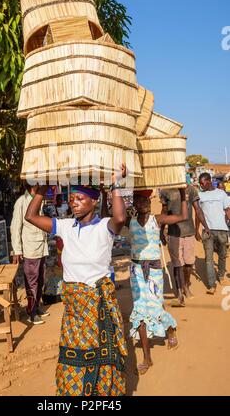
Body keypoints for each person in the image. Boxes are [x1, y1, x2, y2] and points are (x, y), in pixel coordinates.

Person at [24, 167, 128, 396]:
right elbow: (30, 216)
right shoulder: (65, 227)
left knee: (103, 354)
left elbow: (120, 217)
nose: (74, 203)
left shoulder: (105, 227)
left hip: (98, 306)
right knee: (72, 355)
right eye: (71, 199)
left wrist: (116, 183)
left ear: (93, 201)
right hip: (74, 309)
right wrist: (43, 187)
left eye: (80, 198)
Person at [128, 188, 188, 375]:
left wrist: (183, 195)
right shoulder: (129, 222)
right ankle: (147, 358)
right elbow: (108, 220)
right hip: (136, 271)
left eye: (146, 199)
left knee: (155, 309)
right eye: (140, 200)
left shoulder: (157, 219)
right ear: (135, 204)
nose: (144, 203)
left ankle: (170, 330)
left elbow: (182, 216)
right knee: (139, 311)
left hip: (154, 272)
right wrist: (106, 194)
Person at [160, 186, 210, 306]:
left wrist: (206, 226)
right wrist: (161, 231)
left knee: (188, 263)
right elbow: (164, 212)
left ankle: (186, 285)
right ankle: (180, 292)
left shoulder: (191, 190)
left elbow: (197, 209)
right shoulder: (166, 191)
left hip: (189, 232)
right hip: (173, 233)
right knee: (177, 264)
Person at [10, 184, 50, 325]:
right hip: (30, 248)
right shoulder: (21, 201)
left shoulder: (40, 199)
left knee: (41, 279)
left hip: (41, 246)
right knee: (32, 281)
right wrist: (17, 250)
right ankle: (31, 312)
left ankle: (37, 306)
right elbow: (15, 227)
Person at [196, 173, 230, 293]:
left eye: (202, 182)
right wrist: (197, 230)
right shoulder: (200, 195)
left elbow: (227, 210)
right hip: (207, 231)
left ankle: (221, 276)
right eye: (200, 183)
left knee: (222, 255)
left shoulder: (221, 194)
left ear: (209, 181)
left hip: (222, 229)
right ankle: (211, 285)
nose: (201, 185)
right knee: (209, 259)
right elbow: (198, 214)